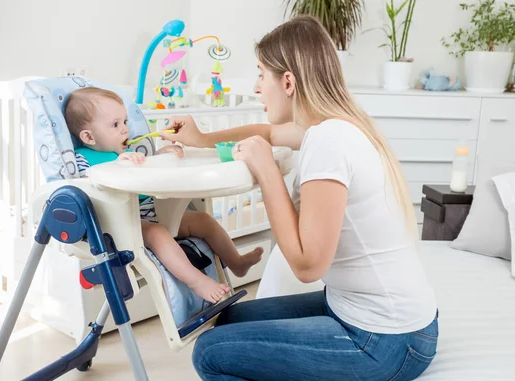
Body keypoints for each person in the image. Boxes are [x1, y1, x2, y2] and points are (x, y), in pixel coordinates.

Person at [159, 15, 438, 381]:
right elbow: (265, 130)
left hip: (386, 339)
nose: (257, 88)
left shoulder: (329, 141)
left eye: (261, 74)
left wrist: (267, 171)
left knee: (210, 353)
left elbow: (308, 268)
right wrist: (203, 138)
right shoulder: (331, 126)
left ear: (287, 81)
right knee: (227, 319)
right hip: (367, 314)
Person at [64, 87, 263, 304]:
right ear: (88, 136)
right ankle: (196, 281)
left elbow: (145, 172)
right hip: (120, 223)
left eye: (125, 122)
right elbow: (84, 186)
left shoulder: (122, 153)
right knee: (157, 233)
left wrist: (159, 156)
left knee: (202, 221)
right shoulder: (82, 160)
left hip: (150, 211)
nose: (125, 129)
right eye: (115, 124)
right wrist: (116, 166)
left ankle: (236, 262)